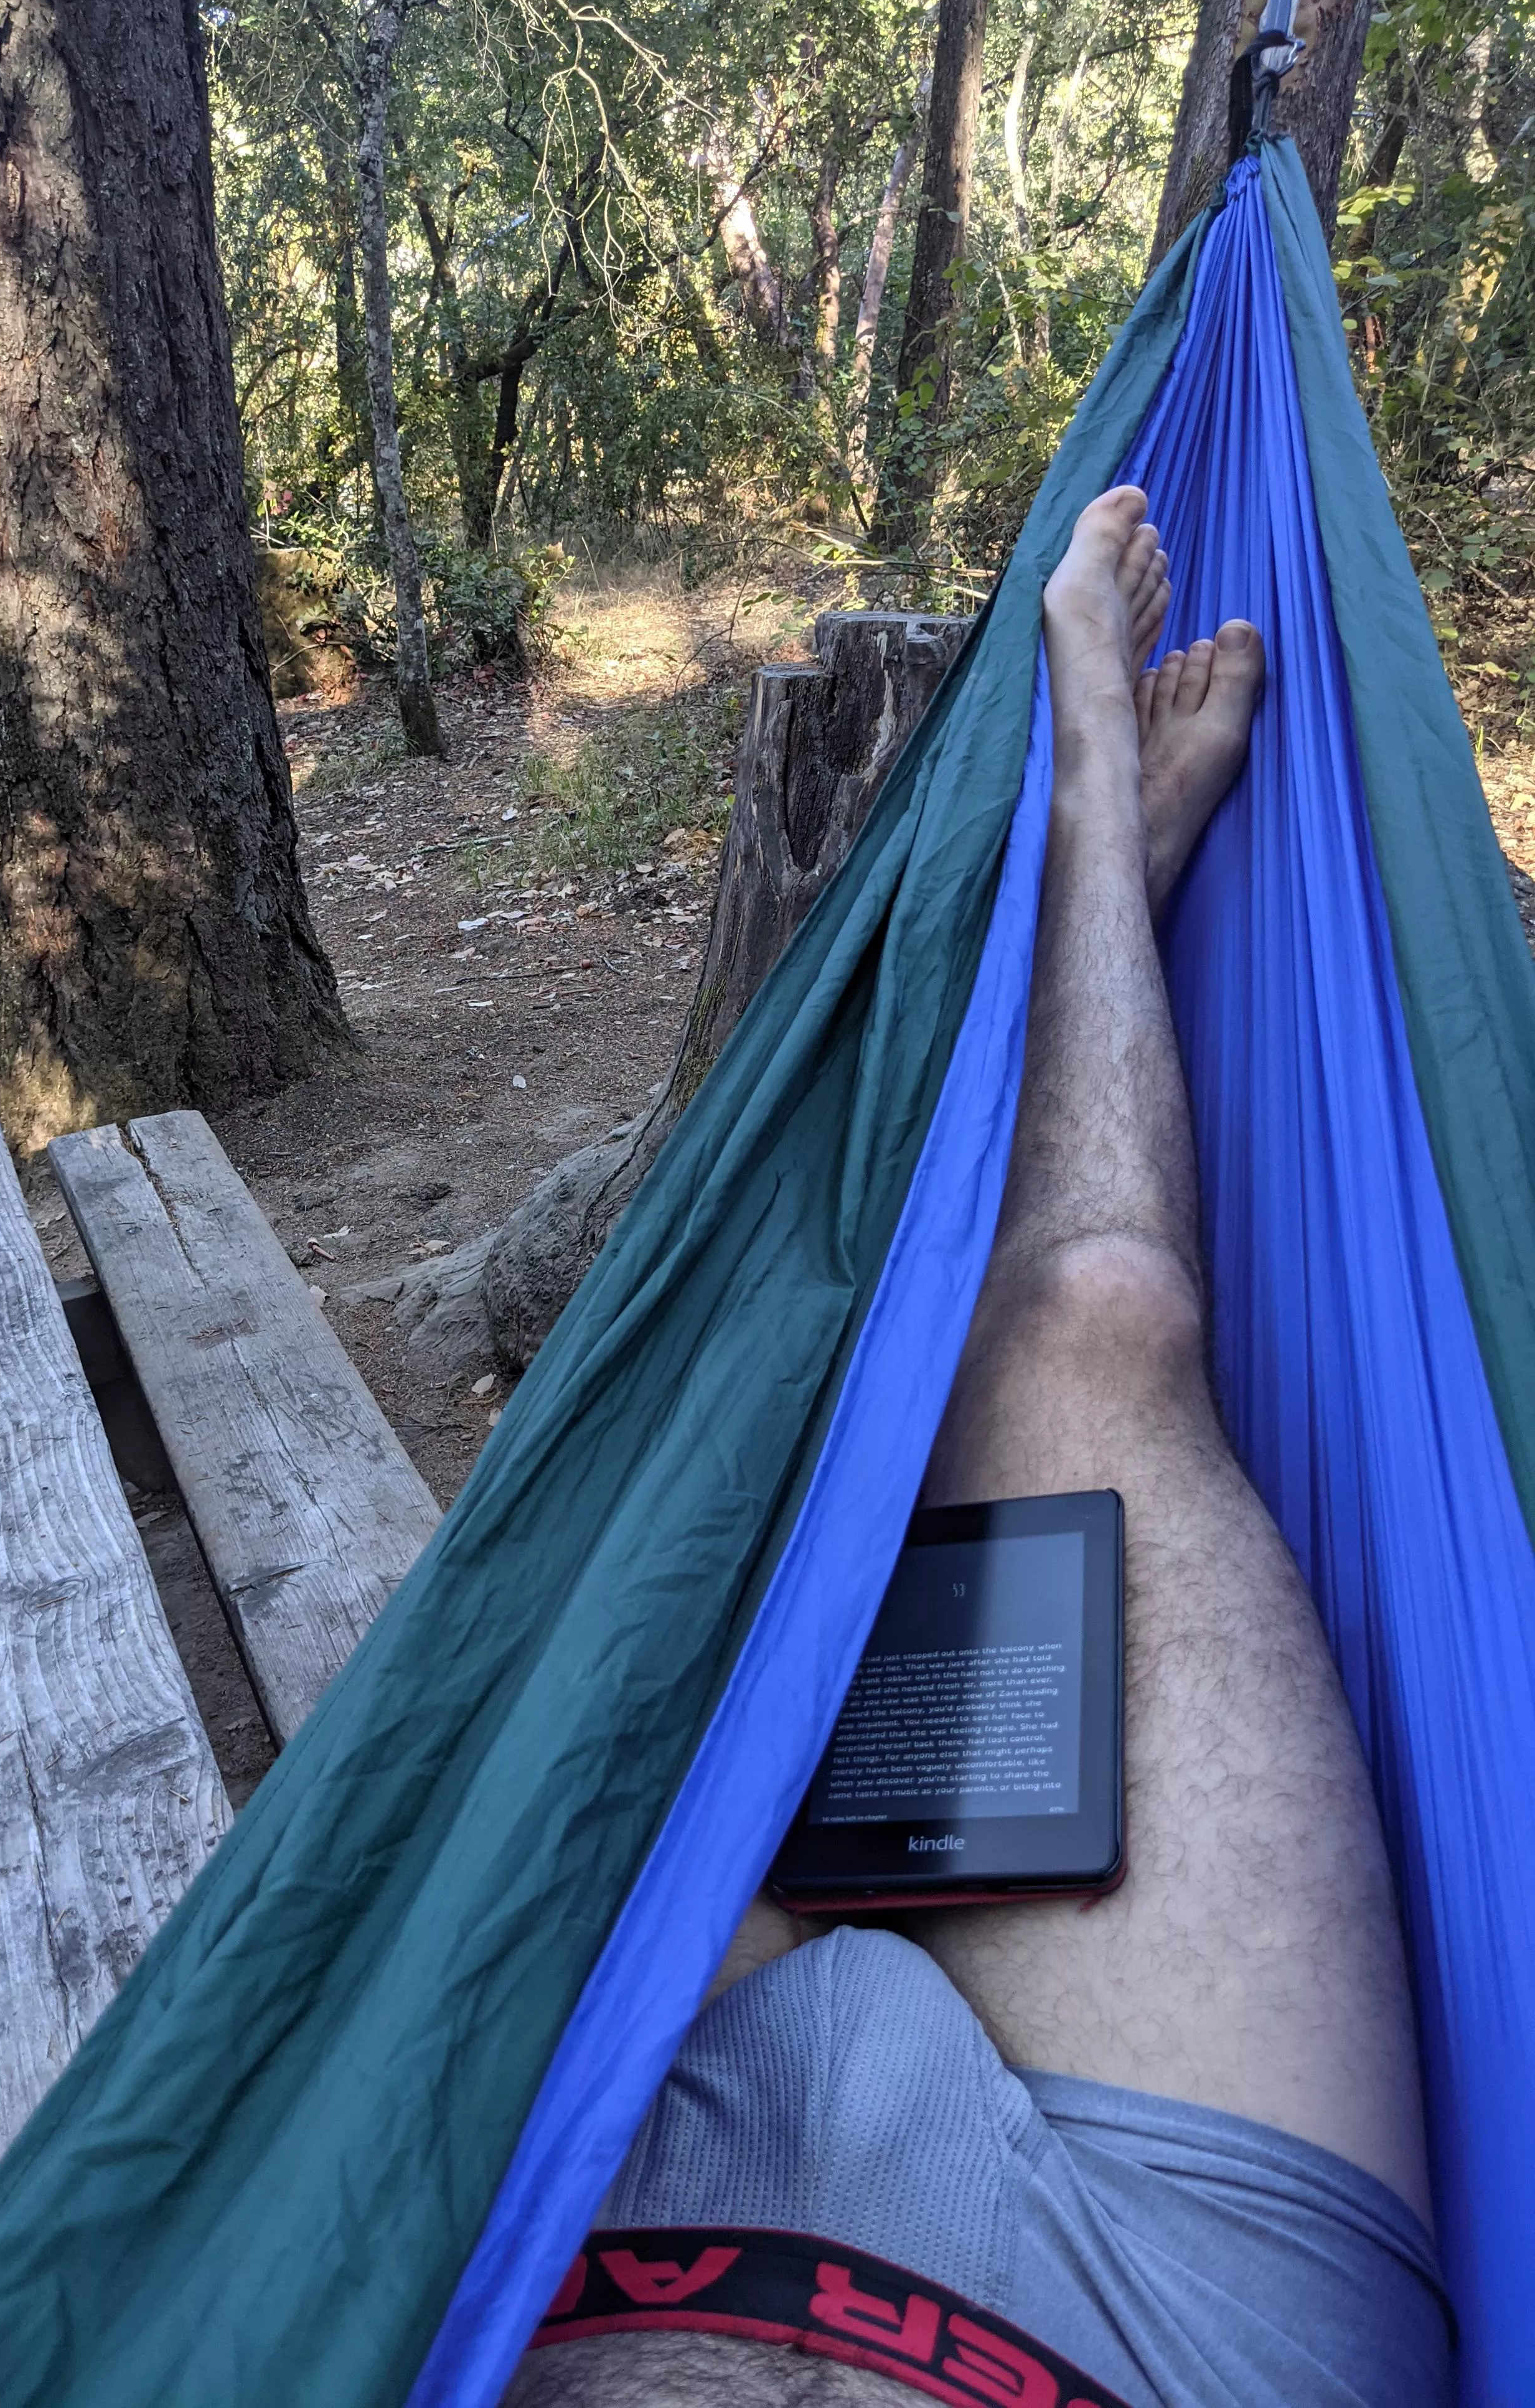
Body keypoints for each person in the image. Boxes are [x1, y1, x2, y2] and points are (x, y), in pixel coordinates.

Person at [504, 489, 1452, 2408]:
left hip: (602, 2227)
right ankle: (1104, 812)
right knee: (1092, 1325)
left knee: (701, 1574)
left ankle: (1105, 872)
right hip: (1141, 2301)